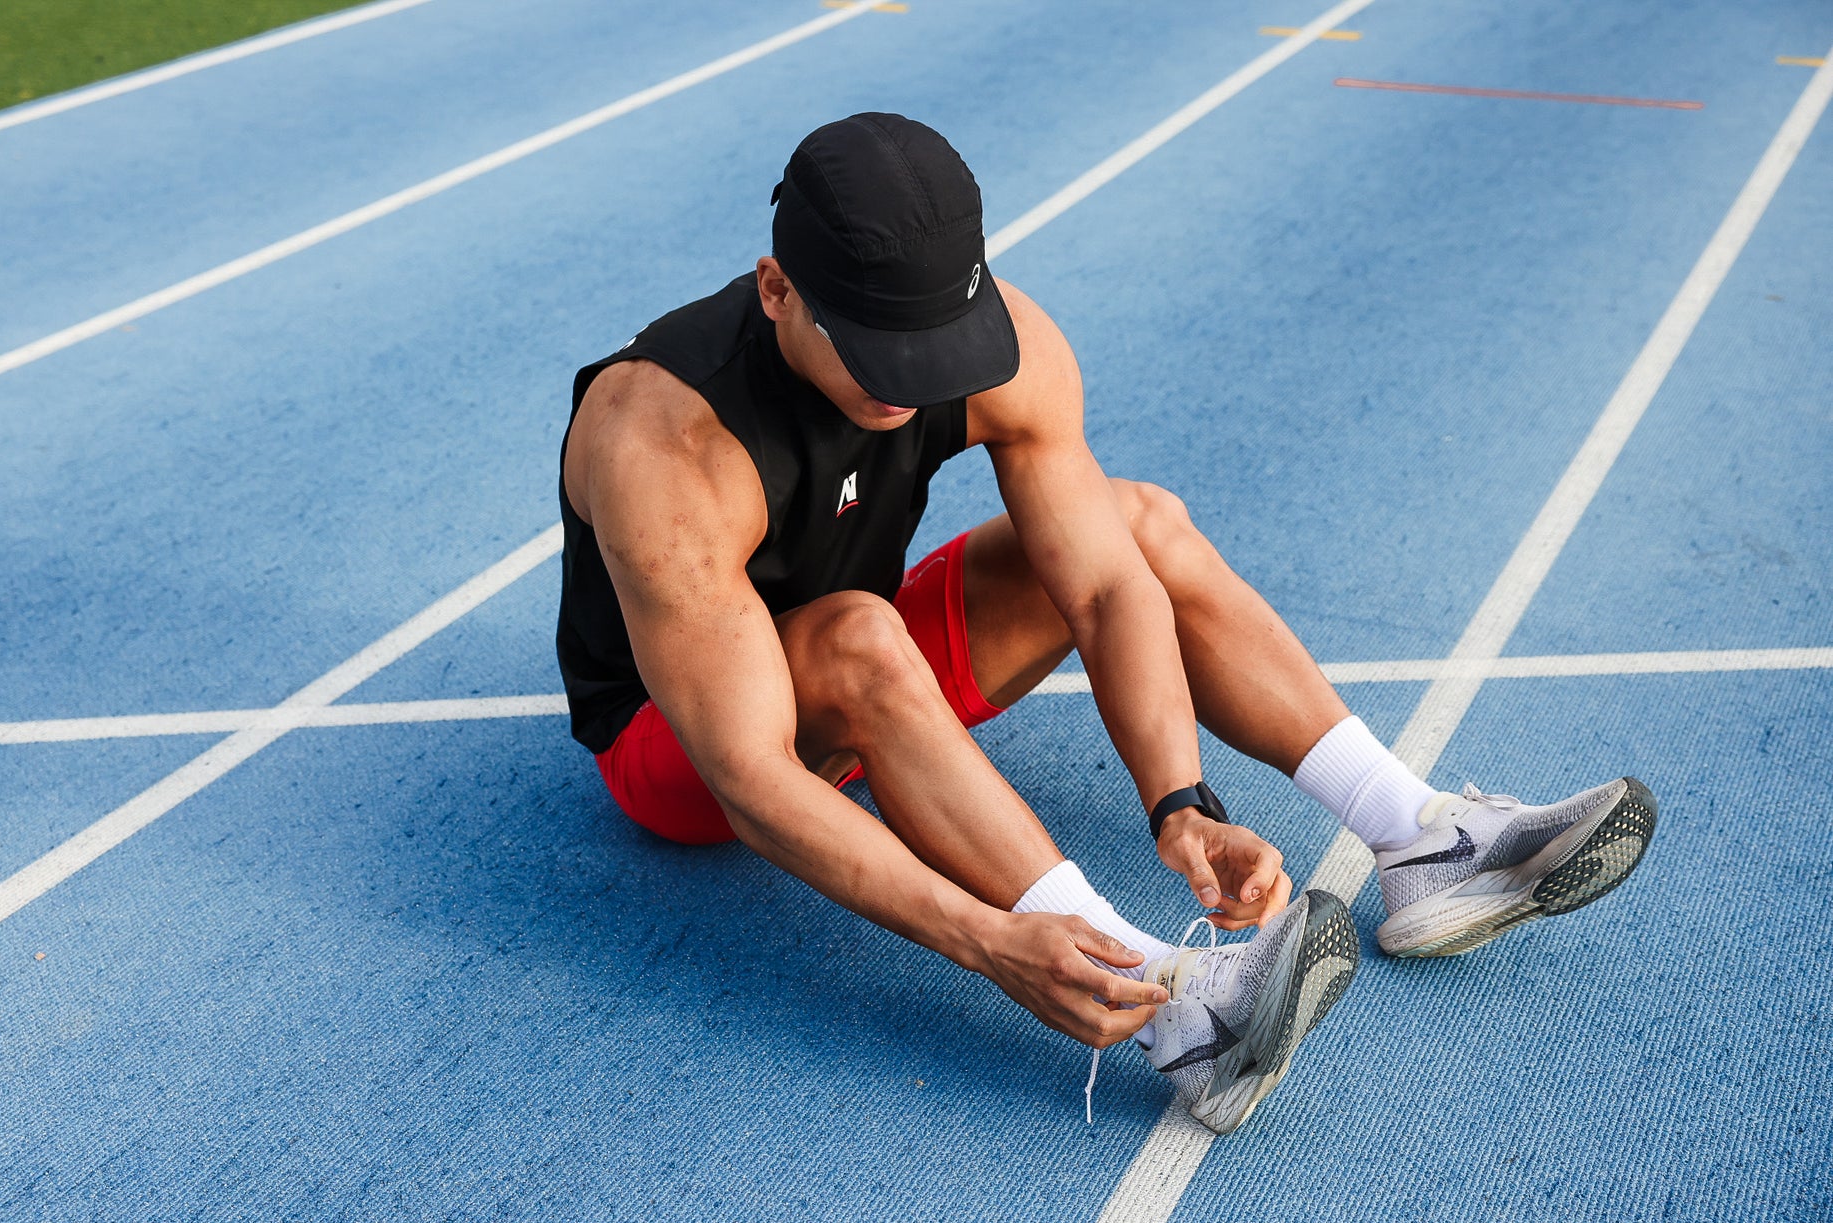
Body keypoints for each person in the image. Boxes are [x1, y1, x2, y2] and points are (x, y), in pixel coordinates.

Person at [554, 113, 1658, 1132]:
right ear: (776, 289)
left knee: (1138, 523)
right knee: (855, 636)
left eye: (931, 351)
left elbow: (1103, 587)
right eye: (879, 356)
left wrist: (1178, 803)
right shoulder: (665, 444)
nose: (909, 386)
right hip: (686, 746)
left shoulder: (1001, 342)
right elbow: (749, 777)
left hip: (855, 652)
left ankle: (1416, 833)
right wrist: (990, 941)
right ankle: (1172, 1005)